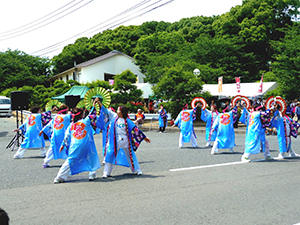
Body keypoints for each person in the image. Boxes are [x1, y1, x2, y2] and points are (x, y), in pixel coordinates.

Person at [98, 104, 151, 178]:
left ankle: (137, 170)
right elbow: (106, 110)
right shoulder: (114, 118)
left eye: (118, 110)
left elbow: (135, 129)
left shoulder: (127, 121)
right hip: (116, 141)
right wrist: (100, 103)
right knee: (110, 155)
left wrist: (144, 138)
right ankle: (106, 173)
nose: (117, 111)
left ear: (122, 112)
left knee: (131, 155)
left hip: (126, 140)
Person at [53, 101, 101, 184]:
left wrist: (63, 144)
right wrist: (94, 105)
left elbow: (66, 135)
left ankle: (59, 177)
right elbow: (92, 114)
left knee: (70, 160)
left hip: (74, 145)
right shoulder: (85, 121)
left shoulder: (72, 124)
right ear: (81, 115)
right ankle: (92, 174)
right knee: (90, 156)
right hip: (85, 144)